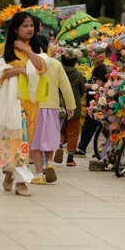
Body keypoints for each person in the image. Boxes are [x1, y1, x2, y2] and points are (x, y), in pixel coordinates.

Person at [0, 11, 49, 196]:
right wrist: (18, 70)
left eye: (31, 25)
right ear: (16, 28)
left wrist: (27, 50)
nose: (29, 29)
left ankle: (9, 174)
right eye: (25, 26)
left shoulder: (37, 47)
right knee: (19, 140)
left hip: (32, 102)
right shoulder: (5, 49)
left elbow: (41, 67)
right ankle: (22, 183)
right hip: (13, 101)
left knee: (24, 141)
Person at [29, 55, 76, 184]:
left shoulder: (30, 62)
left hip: (34, 106)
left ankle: (39, 174)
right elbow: (65, 86)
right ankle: (49, 163)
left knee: (36, 141)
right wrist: (71, 106)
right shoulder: (55, 64)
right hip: (52, 106)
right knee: (49, 137)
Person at [75, 48, 108, 157]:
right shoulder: (98, 68)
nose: (91, 58)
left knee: (90, 125)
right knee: (101, 126)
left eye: (92, 56)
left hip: (97, 102)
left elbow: (98, 85)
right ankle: (114, 145)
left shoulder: (100, 69)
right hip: (94, 101)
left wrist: (84, 85)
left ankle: (81, 148)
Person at [60, 55, 85, 166]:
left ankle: (59, 145)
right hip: (74, 107)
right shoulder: (78, 75)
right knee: (73, 133)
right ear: (75, 63)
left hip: (59, 106)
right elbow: (82, 90)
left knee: (60, 130)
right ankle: (70, 158)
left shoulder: (59, 72)